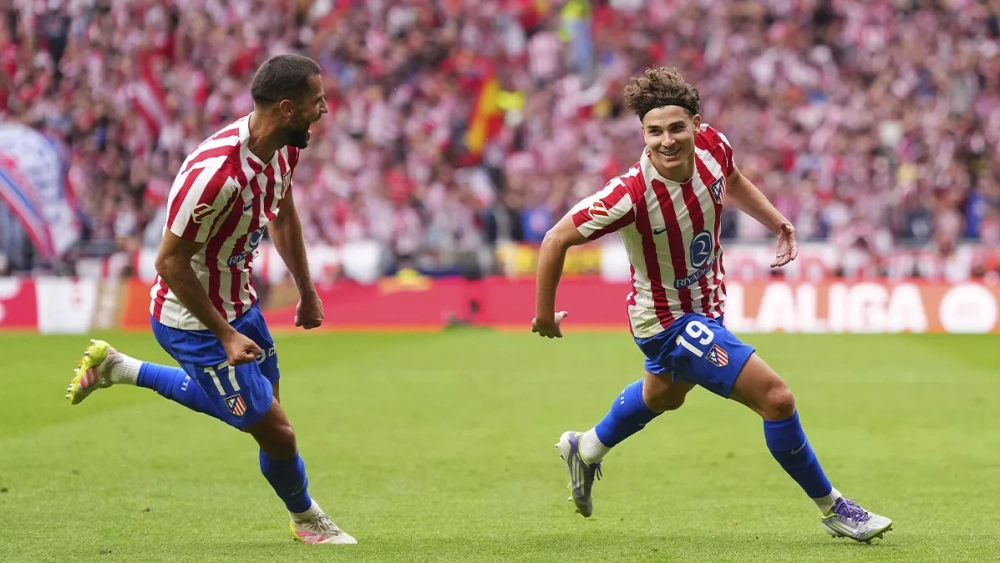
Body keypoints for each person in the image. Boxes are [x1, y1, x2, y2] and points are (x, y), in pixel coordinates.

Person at [531, 67, 892, 543]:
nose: (666, 141)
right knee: (777, 399)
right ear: (642, 133)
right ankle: (835, 509)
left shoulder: (714, 148)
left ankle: (587, 448)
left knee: (664, 396)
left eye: (676, 128)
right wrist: (542, 315)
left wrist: (777, 221)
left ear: (696, 125)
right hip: (665, 320)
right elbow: (556, 239)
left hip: (708, 304)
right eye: (654, 131)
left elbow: (734, 179)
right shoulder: (628, 194)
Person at [65, 54, 356, 545]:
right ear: (286, 108)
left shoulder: (285, 147)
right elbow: (170, 263)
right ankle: (308, 521)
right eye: (317, 101)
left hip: (240, 301)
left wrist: (306, 290)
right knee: (278, 433)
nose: (325, 109)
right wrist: (224, 335)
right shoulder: (215, 176)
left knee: (265, 415)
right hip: (192, 319)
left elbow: (282, 214)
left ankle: (119, 368)